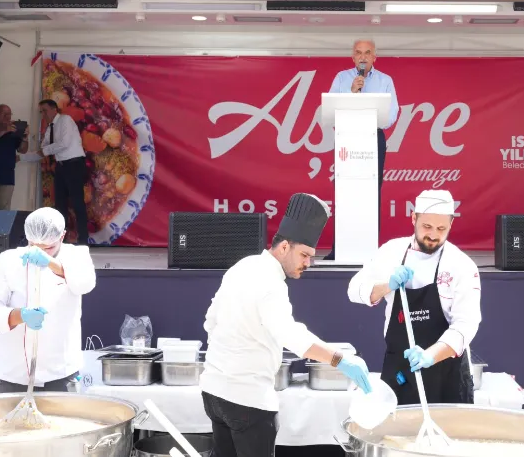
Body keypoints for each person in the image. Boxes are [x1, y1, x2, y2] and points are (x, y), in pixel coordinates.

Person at [200, 193, 373, 457]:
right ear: (283, 247)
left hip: (213, 395)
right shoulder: (272, 284)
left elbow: (210, 321)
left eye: (312, 256)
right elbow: (292, 336)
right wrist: (341, 360)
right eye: (304, 254)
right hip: (248, 402)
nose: (308, 263)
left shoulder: (242, 265)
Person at [346, 189, 481, 405]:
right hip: (401, 370)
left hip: (447, 373)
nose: (434, 235)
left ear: (451, 225)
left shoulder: (461, 265)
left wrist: (430, 355)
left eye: (441, 228)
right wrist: (386, 285)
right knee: (397, 437)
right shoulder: (391, 252)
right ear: (413, 218)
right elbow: (354, 289)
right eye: (427, 226)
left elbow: (467, 324)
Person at [0, 206, 96, 393]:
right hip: (12, 374)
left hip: (61, 373)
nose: (42, 251)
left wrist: (52, 264)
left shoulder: (77, 255)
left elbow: (84, 284)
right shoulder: (8, 260)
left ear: (62, 236)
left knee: (63, 423)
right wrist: (20, 316)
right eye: (35, 246)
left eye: (49, 247)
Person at [326, 39, 399, 259]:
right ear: (352, 56)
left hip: (372, 137)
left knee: (371, 194)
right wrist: (351, 93)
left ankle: (369, 250)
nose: (363, 57)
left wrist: (368, 111)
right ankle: (339, 249)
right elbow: (330, 110)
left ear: (375, 57)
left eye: (368, 53)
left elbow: (392, 115)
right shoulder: (342, 78)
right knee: (345, 192)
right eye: (359, 53)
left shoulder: (385, 80)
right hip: (347, 137)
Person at [39, 98, 89, 243]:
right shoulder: (50, 127)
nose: (43, 114)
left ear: (55, 109)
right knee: (59, 203)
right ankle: (60, 239)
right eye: (41, 112)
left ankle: (83, 239)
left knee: (77, 202)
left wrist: (45, 150)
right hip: (61, 166)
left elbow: (64, 144)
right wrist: (23, 158)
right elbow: (43, 148)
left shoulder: (65, 120)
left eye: (45, 111)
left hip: (74, 164)